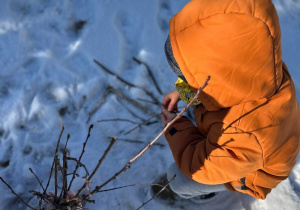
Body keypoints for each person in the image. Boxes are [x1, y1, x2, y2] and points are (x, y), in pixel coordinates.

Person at [161, 0, 300, 202]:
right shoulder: (263, 71)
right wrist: (184, 91)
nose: (186, 80)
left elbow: (199, 166)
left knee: (178, 180)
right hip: (259, 144)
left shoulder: (247, 134)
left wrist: (175, 127)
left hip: (254, 174)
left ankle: (207, 193)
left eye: (190, 77)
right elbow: (219, 85)